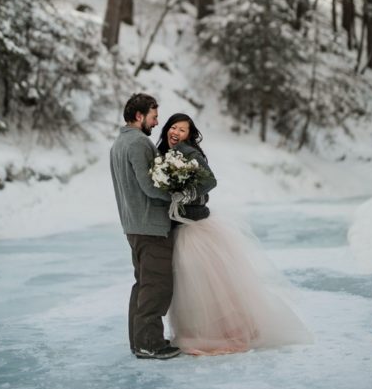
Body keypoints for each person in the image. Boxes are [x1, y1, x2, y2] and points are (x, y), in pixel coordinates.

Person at [156, 113, 313, 355]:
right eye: (173, 127)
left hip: (195, 228)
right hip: (179, 226)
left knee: (204, 284)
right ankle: (199, 332)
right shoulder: (165, 154)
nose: (176, 132)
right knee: (191, 287)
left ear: (189, 135)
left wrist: (185, 194)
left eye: (182, 130)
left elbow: (209, 181)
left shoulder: (189, 153)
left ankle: (217, 334)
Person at [108, 93, 181, 360]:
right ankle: (150, 343)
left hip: (134, 224)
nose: (157, 121)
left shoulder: (119, 143)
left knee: (143, 284)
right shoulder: (138, 143)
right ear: (139, 116)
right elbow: (149, 186)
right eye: (153, 116)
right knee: (157, 286)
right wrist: (176, 194)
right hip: (150, 225)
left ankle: (139, 341)